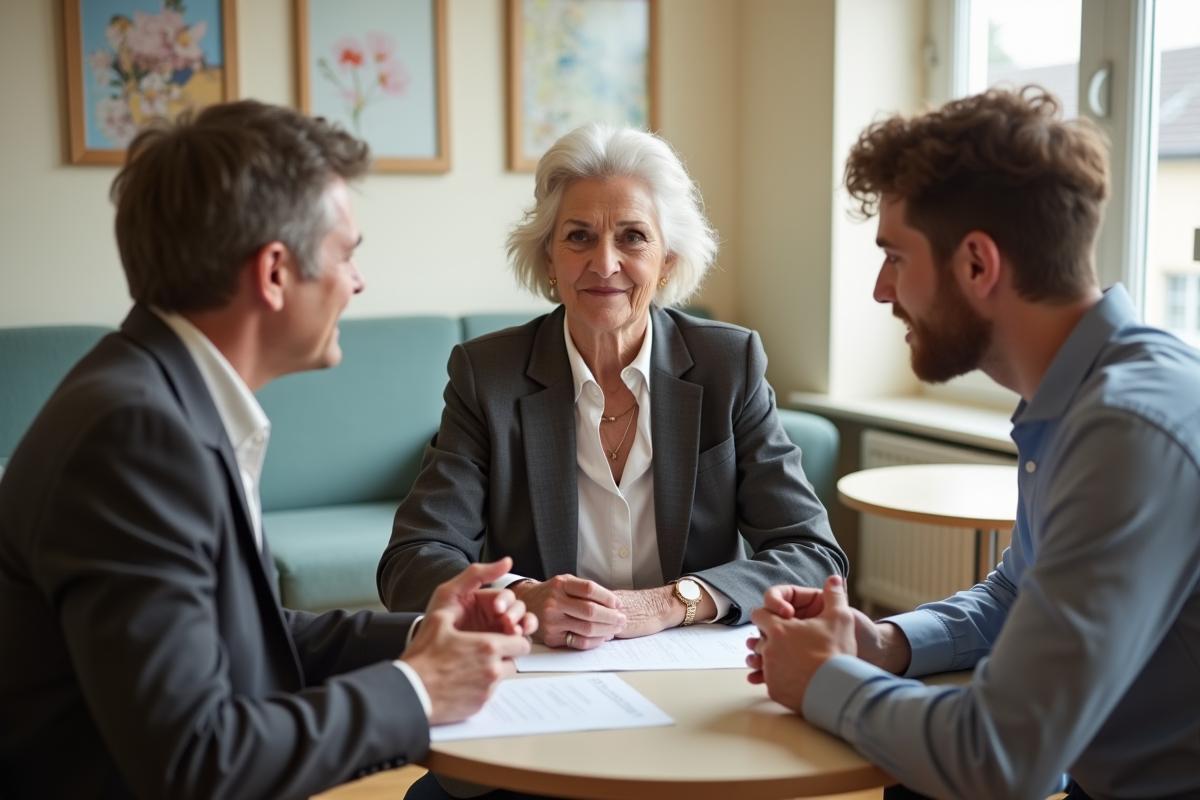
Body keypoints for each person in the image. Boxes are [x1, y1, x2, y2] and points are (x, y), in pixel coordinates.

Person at [0, 101, 536, 800]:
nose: (358, 281)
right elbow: (196, 761)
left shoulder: (156, 394)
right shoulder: (136, 436)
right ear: (275, 272)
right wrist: (420, 688)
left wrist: (421, 637)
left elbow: (239, 632)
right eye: (347, 254)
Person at [747, 87, 1200, 800]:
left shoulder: (1126, 430)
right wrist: (885, 644)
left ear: (978, 265)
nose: (880, 290)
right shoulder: (1074, 399)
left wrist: (826, 681)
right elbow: (1020, 590)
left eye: (895, 257)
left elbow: (1000, 758)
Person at [378, 122, 847, 651]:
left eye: (633, 236)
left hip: (692, 658)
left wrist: (674, 602)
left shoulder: (728, 364)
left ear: (666, 261)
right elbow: (410, 562)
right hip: (545, 667)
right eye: (579, 236)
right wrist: (523, 600)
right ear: (549, 259)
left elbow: (812, 554)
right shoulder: (488, 375)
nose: (605, 263)